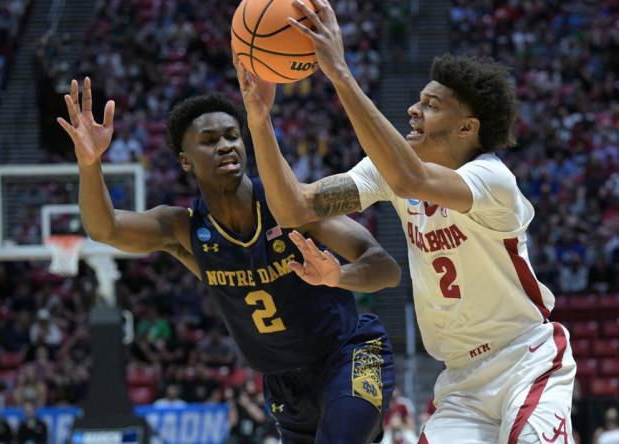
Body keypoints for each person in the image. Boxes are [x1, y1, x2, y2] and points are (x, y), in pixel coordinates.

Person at [234, 0, 575, 442]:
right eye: (417, 101)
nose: (413, 111)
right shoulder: (387, 171)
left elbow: (407, 177)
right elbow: (294, 208)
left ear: (466, 129)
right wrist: (260, 121)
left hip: (525, 362)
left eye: (431, 105)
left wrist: (340, 72)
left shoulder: (492, 179)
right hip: (461, 383)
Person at [56, 77, 400, 443]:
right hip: (282, 383)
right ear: (185, 161)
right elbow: (105, 229)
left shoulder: (292, 204)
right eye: (209, 141)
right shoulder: (184, 230)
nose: (225, 146)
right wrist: (89, 163)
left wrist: (339, 276)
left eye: (232, 136)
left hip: (349, 353)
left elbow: (385, 268)